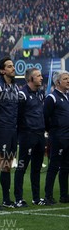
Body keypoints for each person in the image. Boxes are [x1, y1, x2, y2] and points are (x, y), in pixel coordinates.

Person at [0, 57, 20, 209]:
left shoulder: (15, 88)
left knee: (7, 166)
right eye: (9, 66)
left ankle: (7, 199)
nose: (13, 68)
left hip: (12, 131)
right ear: (2, 71)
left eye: (13, 66)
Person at [14, 68, 46, 207]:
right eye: (38, 76)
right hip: (27, 135)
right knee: (22, 167)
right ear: (30, 79)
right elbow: (18, 116)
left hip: (40, 134)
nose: (41, 78)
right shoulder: (22, 94)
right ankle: (18, 198)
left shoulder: (40, 93)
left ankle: (36, 198)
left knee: (37, 168)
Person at [43, 70, 69, 204]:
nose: (68, 81)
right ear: (58, 82)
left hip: (67, 137)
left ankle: (64, 195)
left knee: (66, 167)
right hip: (58, 137)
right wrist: (53, 131)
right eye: (65, 79)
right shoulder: (51, 98)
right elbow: (45, 117)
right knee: (53, 166)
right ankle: (48, 196)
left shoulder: (67, 97)